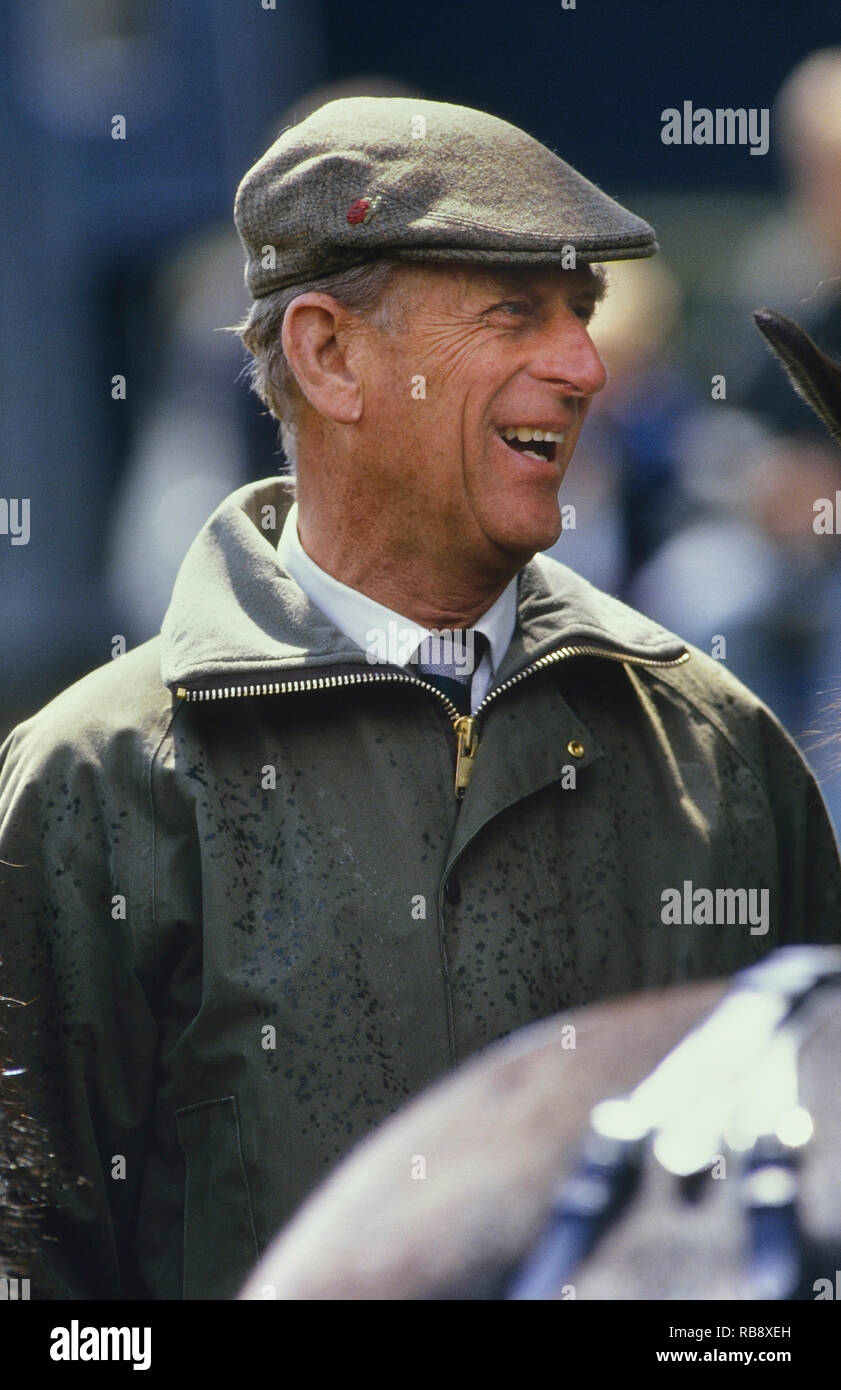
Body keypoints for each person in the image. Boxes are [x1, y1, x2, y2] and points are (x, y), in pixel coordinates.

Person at [0, 96, 838, 1301]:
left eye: (583, 316)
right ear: (329, 355)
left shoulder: (714, 748)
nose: (586, 367)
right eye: (516, 315)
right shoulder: (104, 777)